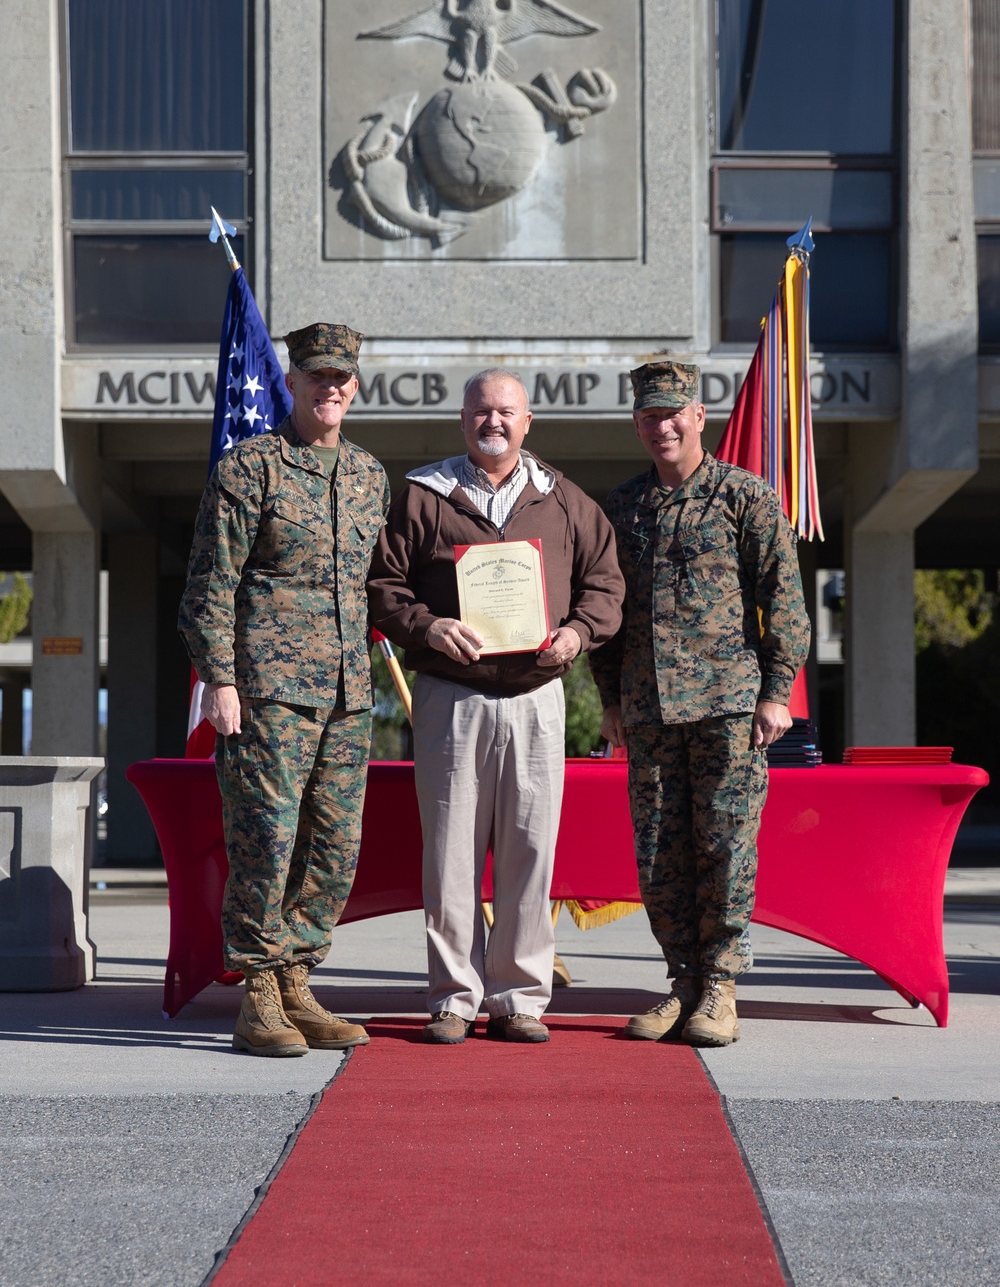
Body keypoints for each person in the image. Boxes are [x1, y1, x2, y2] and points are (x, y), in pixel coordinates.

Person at [367, 369, 624, 1044]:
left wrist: (577, 632)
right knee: (450, 856)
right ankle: (454, 996)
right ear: (463, 420)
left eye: (506, 413)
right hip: (453, 697)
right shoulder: (424, 497)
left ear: (527, 421)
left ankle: (519, 998)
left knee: (530, 851)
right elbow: (383, 586)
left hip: (537, 696)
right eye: (482, 412)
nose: (494, 423)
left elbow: (605, 582)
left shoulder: (564, 499)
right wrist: (428, 627)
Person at [178, 323, 389, 1058]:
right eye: (316, 377)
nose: (329, 388)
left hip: (346, 695)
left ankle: (298, 976)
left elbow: (376, 587)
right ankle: (260, 992)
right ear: (292, 383)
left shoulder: (368, 475)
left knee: (334, 846)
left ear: (355, 387)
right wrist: (221, 679)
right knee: (265, 841)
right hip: (266, 692)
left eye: (342, 378)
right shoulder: (250, 467)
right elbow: (210, 584)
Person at [591, 360, 810, 1047]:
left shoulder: (745, 498)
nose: (662, 426)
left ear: (698, 416)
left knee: (724, 848)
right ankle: (681, 984)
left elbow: (786, 603)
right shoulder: (623, 507)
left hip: (727, 708)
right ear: (637, 423)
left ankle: (720, 988)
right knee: (658, 855)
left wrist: (777, 693)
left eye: (673, 414)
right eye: (650, 416)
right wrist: (609, 702)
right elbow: (609, 612)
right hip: (649, 712)